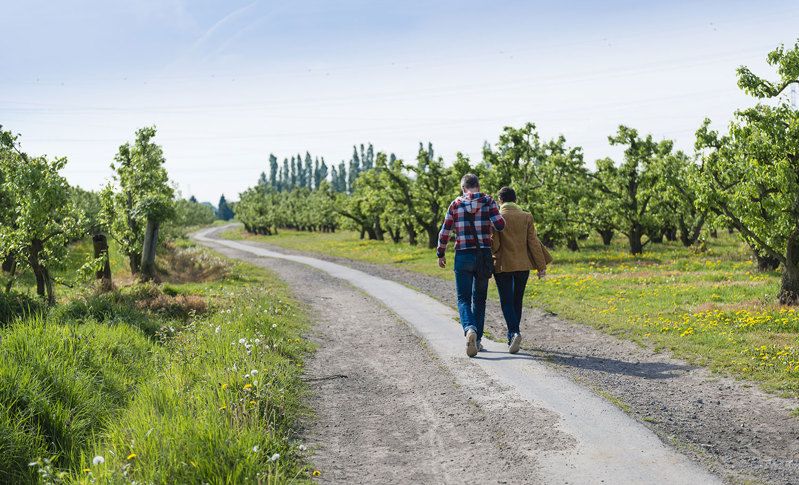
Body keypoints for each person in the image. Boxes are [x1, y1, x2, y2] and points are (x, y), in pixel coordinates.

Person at [437, 174, 505, 357]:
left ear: (463, 188)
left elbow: (445, 231)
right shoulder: (488, 201)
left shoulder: (455, 204)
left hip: (463, 255)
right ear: (478, 185)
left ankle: (469, 329)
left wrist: (440, 253)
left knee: (463, 299)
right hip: (483, 254)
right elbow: (500, 225)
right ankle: (479, 340)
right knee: (480, 299)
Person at [491, 187, 552, 354]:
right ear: (515, 200)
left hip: (503, 265)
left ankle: (514, 332)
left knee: (506, 301)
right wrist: (541, 266)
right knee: (517, 300)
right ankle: (513, 335)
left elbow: (495, 245)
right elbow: (533, 242)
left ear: (500, 200)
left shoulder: (497, 218)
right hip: (523, 266)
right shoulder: (526, 216)